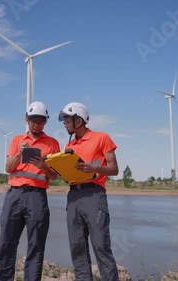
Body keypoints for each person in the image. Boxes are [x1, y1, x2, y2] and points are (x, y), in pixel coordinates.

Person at [0, 101, 60, 281]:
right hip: (14, 195)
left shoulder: (53, 144)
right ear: (26, 120)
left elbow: (54, 176)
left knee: (36, 245)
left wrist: (43, 166)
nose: (37, 124)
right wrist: (18, 154)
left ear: (45, 122)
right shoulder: (16, 140)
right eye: (33, 120)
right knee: (7, 242)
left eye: (40, 120)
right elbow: (8, 168)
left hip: (37, 197)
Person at [58, 102, 120, 281]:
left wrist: (93, 168)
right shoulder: (69, 147)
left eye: (67, 119)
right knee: (77, 248)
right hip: (73, 196)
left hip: (94, 195)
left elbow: (114, 169)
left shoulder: (102, 138)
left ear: (79, 120)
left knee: (101, 246)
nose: (64, 123)